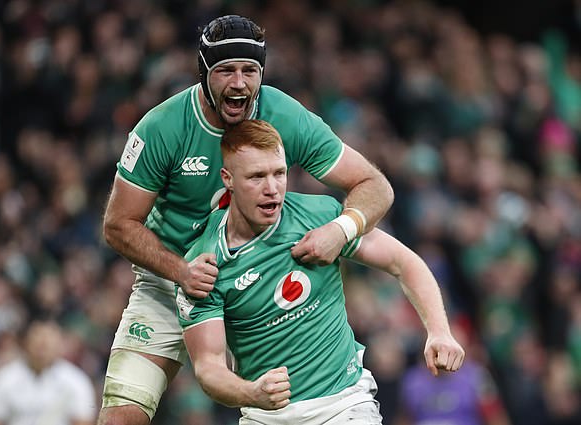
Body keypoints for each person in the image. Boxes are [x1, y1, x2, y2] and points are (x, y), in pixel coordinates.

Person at [99, 14, 394, 425]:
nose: (239, 83)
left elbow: (373, 185)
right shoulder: (161, 128)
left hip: (258, 284)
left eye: (249, 70)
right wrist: (181, 270)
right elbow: (117, 224)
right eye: (225, 71)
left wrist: (340, 229)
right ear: (204, 73)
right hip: (170, 284)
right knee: (122, 415)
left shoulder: (284, 115)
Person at [177, 119, 465, 424]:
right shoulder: (204, 263)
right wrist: (252, 392)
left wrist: (439, 331)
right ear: (228, 179)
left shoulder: (319, 218)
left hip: (345, 405)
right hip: (266, 416)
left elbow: (403, 262)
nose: (272, 189)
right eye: (256, 177)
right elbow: (208, 367)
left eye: (279, 173)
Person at [0, 320, 96, 425]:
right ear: (25, 342)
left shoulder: (76, 381)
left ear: (59, 343)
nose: (42, 345)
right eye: (37, 338)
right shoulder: (4, 378)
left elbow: (83, 420)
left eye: (48, 340)